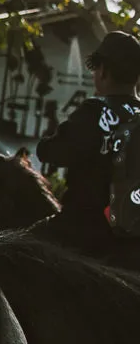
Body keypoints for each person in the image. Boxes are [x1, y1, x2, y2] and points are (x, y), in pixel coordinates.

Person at [35, 30, 140, 262]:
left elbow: (49, 152)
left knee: (16, 249)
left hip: (80, 234)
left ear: (103, 71)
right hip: (133, 240)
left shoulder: (93, 112)